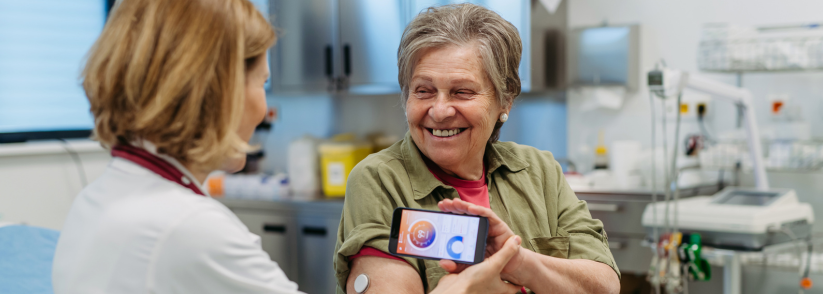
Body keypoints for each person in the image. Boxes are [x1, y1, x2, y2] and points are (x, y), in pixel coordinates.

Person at [51, 0, 522, 293]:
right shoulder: (187, 229)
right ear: (213, 90)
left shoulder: (101, 199)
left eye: (462, 92)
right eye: (262, 84)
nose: (265, 110)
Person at [334, 3, 621, 294]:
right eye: (424, 90)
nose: (441, 110)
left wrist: (519, 262)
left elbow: (605, 285)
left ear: (504, 102)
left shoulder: (538, 170)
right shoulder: (379, 180)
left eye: (462, 92)